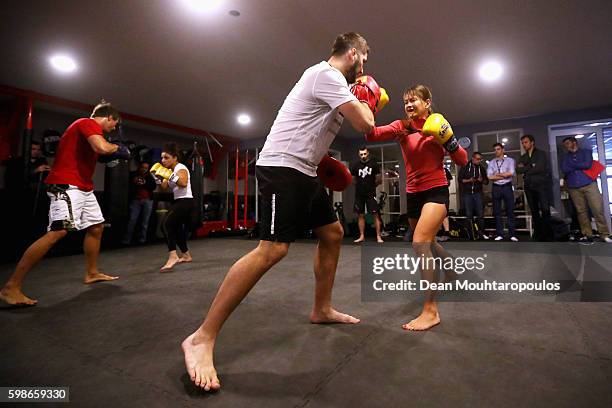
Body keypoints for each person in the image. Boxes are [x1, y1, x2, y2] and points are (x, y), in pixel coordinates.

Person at [182, 32, 377, 391]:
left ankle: (321, 309)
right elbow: (365, 125)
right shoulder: (328, 76)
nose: (364, 68)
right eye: (364, 59)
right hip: (283, 167)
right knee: (272, 248)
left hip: (307, 169)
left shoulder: (334, 85)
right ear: (353, 54)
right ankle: (201, 337)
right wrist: (370, 96)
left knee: (332, 233)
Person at [0, 101, 129, 306]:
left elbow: (95, 151)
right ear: (109, 118)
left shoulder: (91, 133)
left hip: (84, 187)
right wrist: (117, 148)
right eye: (114, 124)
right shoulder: (87, 123)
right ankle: (11, 287)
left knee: (96, 227)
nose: (113, 128)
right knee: (57, 233)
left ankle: (92, 272)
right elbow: (102, 147)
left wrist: (107, 154)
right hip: (67, 186)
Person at [365, 84, 468, 331]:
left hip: (436, 191)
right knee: (429, 242)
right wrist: (371, 108)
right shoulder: (401, 127)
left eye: (414, 100)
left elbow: (462, 160)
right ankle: (452, 271)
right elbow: (371, 135)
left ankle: (431, 311)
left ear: (427, 102)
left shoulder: (437, 124)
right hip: (412, 193)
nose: (409, 105)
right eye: (406, 102)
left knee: (420, 242)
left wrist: (449, 140)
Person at [151, 143, 195, 271]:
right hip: (179, 201)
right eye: (162, 158)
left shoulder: (180, 168)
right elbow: (163, 188)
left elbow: (183, 183)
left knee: (165, 225)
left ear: (175, 158)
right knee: (176, 228)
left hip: (185, 201)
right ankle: (186, 255)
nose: (163, 160)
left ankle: (173, 256)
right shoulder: (169, 171)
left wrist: (169, 175)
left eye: (166, 157)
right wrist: (157, 178)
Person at [561, 137, 612, 242]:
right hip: (573, 187)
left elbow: (587, 164)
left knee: (597, 209)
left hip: (589, 184)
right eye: (564, 144)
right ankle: (588, 234)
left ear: (574, 142)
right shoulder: (565, 157)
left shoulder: (586, 152)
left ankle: (604, 234)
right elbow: (565, 169)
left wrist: (573, 165)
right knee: (581, 211)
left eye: (567, 143)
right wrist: (578, 165)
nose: (566, 146)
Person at [517, 135, 552, 241]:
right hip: (528, 186)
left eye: (526, 142)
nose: (524, 144)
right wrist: (531, 166)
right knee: (534, 211)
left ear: (532, 142)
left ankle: (548, 235)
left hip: (541, 186)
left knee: (545, 210)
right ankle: (538, 234)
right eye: (522, 143)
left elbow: (540, 167)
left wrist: (526, 169)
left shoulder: (541, 153)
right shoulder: (523, 156)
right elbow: (518, 170)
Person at [351, 146, 383, 243]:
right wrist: (360, 186)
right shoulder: (355, 165)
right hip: (359, 194)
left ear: (368, 153)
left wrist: (371, 186)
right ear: (359, 155)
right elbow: (353, 179)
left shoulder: (374, 164)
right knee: (360, 215)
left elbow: (379, 180)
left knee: (375, 214)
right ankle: (362, 236)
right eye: (361, 154)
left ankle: (378, 236)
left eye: (365, 154)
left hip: (370, 193)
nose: (363, 156)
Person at [487, 143, 518, 241]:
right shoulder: (492, 162)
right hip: (496, 187)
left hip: (507, 187)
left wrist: (498, 174)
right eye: (495, 149)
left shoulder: (510, 161)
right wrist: (504, 175)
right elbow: (489, 176)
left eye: (498, 149)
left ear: (503, 150)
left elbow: (511, 173)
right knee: (497, 211)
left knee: (510, 210)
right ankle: (499, 234)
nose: (496, 151)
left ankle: (512, 234)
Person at [122, 161, 157, 245]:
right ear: (139, 167)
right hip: (136, 200)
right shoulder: (133, 175)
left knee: (145, 222)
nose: (144, 169)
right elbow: (128, 185)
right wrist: (135, 182)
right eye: (143, 167)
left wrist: (144, 183)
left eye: (146, 168)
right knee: (132, 220)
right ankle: (127, 240)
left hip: (147, 200)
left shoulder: (150, 176)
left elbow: (153, 186)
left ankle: (143, 240)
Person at [459, 151, 489, 239]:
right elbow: (460, 180)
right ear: (473, 158)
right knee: (469, 215)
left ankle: (481, 233)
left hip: (478, 194)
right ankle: (471, 234)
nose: (479, 161)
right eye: (478, 159)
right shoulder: (465, 167)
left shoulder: (482, 168)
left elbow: (486, 182)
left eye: (481, 159)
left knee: (480, 214)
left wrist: (481, 180)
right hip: (467, 194)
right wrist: (469, 180)